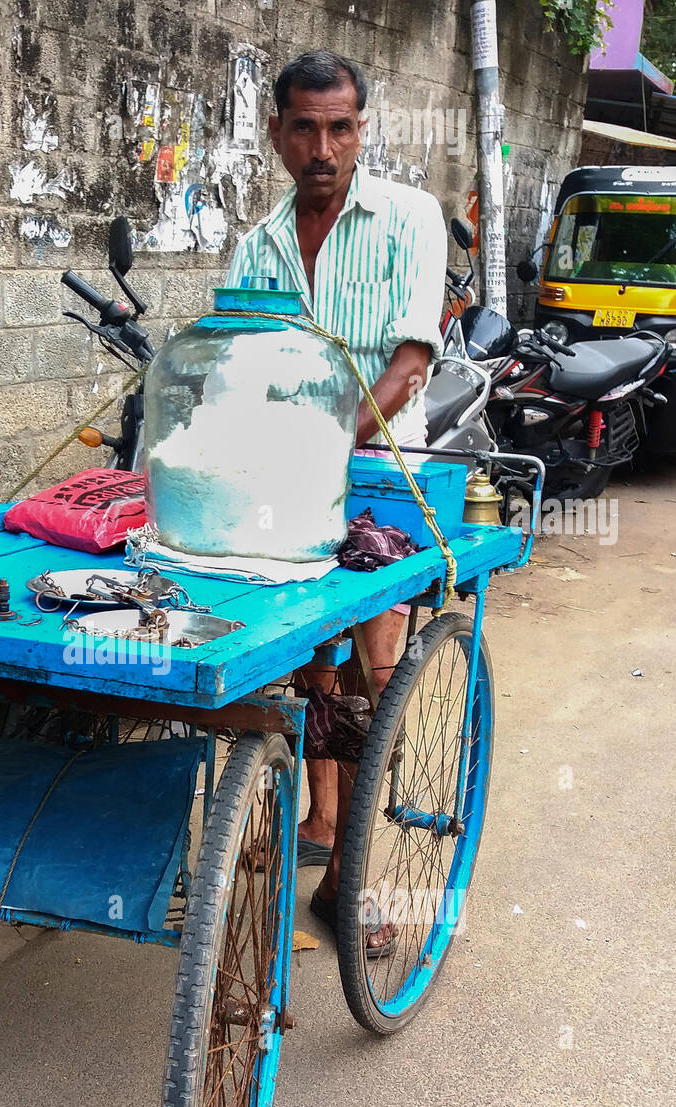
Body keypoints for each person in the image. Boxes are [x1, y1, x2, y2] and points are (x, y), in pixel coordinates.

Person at [226, 50, 446, 951]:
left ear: (361, 130)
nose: (324, 146)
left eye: (341, 127)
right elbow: (240, 364)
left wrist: (329, 435)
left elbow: (407, 363)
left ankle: (354, 871)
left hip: (384, 468)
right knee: (307, 655)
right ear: (277, 134)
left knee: (369, 662)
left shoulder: (407, 219)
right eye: (305, 127)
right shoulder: (258, 244)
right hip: (285, 479)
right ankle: (321, 824)